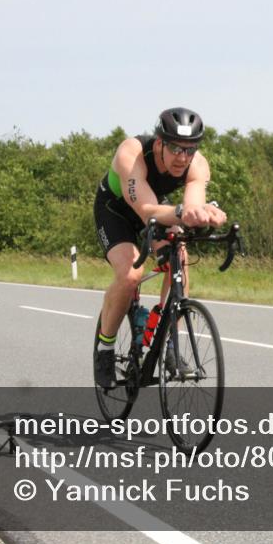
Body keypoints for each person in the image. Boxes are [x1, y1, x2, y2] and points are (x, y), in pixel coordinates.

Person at [92, 107, 227, 388]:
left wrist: (206, 215)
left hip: (157, 207)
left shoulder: (197, 165)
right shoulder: (132, 153)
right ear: (159, 143)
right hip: (116, 212)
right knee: (130, 274)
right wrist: (184, 212)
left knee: (179, 253)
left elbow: (191, 204)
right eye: (176, 148)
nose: (183, 157)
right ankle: (104, 349)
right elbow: (146, 211)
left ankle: (171, 346)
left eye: (190, 150)